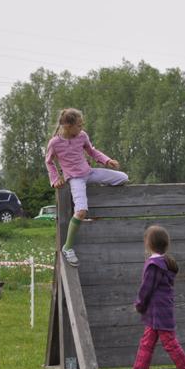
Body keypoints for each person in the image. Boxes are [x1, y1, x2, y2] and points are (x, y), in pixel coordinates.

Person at [46, 108, 128, 267]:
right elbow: (48, 161)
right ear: (68, 126)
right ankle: (68, 247)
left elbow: (91, 151)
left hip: (89, 173)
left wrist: (107, 160)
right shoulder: (55, 143)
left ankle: (98, 190)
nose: (81, 128)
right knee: (81, 211)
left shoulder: (82, 136)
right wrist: (55, 178)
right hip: (75, 179)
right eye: (78, 125)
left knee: (122, 178)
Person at [121, 226, 185, 369]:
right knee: (146, 343)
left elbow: (146, 289)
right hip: (157, 313)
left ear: (148, 244)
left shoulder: (154, 265)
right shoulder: (163, 263)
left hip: (158, 312)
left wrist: (139, 304)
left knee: (170, 343)